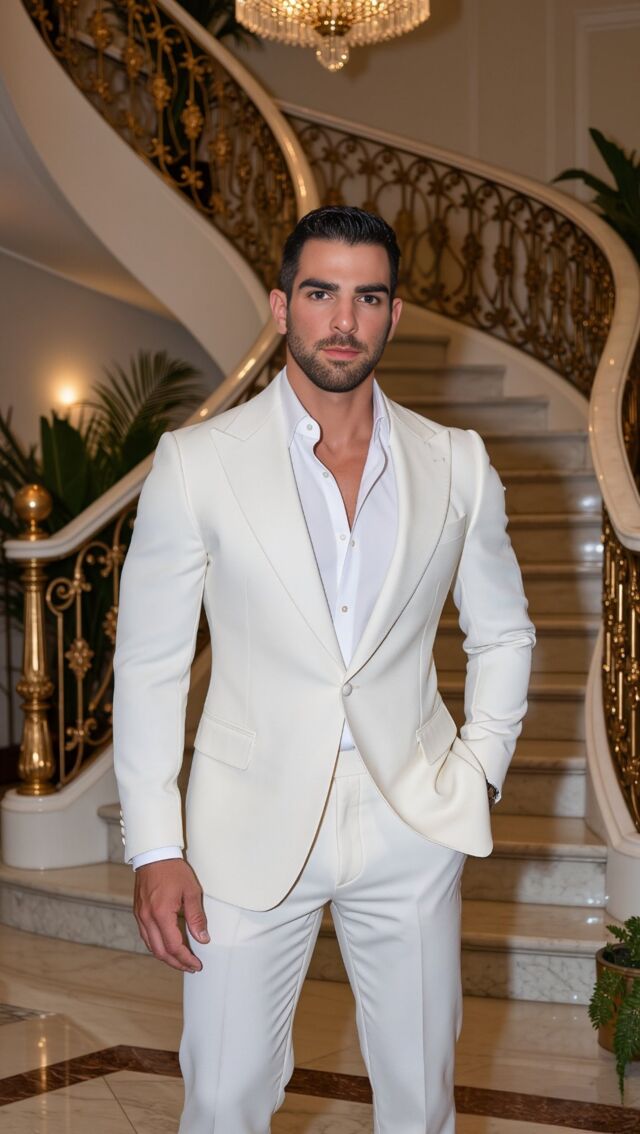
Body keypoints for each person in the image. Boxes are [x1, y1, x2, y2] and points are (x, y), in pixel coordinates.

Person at [113, 206, 536, 1133]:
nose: (343, 320)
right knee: (223, 1098)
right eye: (320, 293)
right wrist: (155, 846)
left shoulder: (458, 464)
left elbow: (504, 635)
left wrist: (477, 771)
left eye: (368, 297)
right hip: (242, 823)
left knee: (419, 1100)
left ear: (394, 315)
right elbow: (148, 665)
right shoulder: (195, 464)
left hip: (410, 816)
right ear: (281, 307)